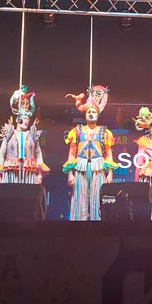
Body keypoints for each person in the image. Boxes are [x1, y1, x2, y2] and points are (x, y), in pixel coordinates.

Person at [63, 86, 117, 221]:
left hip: (98, 169)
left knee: (97, 200)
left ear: (98, 114)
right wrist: (70, 173)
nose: (91, 114)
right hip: (80, 169)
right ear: (85, 114)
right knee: (79, 200)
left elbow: (108, 154)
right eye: (89, 112)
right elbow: (72, 153)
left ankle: (97, 227)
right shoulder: (77, 131)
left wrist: (110, 173)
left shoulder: (105, 132)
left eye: (94, 112)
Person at [0, 86, 49, 184]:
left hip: (29, 172)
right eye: (23, 119)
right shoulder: (10, 133)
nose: (26, 122)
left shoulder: (32, 135)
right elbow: (1, 154)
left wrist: (39, 175)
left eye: (28, 120)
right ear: (17, 120)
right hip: (11, 171)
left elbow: (38, 155)